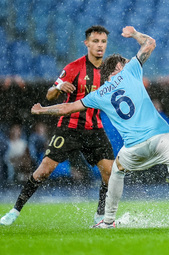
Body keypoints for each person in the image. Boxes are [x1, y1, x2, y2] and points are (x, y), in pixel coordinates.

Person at [29, 26, 169, 228]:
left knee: (118, 170)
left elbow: (66, 108)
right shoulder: (130, 71)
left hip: (135, 148)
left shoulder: (98, 94)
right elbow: (150, 43)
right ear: (118, 67)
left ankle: (107, 222)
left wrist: (42, 110)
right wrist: (135, 34)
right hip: (163, 139)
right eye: (126, 62)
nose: (129, 63)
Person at [0, 25, 114, 226]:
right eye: (95, 41)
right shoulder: (73, 68)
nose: (99, 45)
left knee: (110, 173)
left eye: (103, 42)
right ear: (86, 43)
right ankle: (14, 211)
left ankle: (100, 215)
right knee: (44, 170)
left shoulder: (108, 71)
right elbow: (49, 95)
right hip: (69, 128)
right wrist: (59, 86)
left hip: (94, 128)